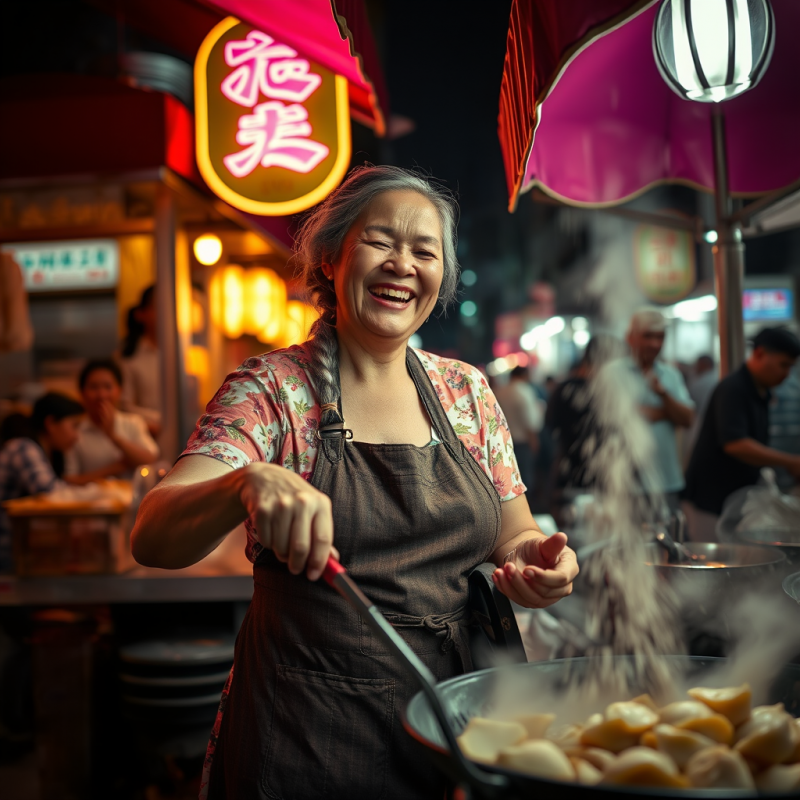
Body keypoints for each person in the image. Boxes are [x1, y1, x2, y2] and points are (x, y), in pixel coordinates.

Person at [130, 166, 579, 800]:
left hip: (450, 720)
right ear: (332, 257)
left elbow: (515, 533)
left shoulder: (466, 392)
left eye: (424, 250)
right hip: (305, 732)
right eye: (380, 241)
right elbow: (153, 536)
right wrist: (244, 484)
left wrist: (534, 562)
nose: (403, 264)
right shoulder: (273, 390)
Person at [683, 327, 800, 540]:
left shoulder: (761, 391)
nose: (786, 374)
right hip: (710, 499)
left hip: (734, 497)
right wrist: (791, 462)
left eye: (791, 367)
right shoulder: (734, 388)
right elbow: (735, 444)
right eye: (783, 365)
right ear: (759, 354)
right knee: (713, 560)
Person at [606, 308, 694, 514]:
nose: (655, 344)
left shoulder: (670, 375)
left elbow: (688, 419)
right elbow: (615, 417)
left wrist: (663, 396)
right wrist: (668, 413)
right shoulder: (612, 373)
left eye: (660, 337)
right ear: (630, 337)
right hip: (626, 484)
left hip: (667, 480)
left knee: (667, 541)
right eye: (648, 336)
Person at [0, 393, 84, 570]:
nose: (77, 436)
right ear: (51, 423)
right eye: (74, 426)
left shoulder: (46, 452)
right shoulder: (23, 447)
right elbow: (52, 496)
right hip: (6, 555)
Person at [546, 335, 622, 514]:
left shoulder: (562, 389)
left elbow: (550, 427)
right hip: (599, 478)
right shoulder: (606, 392)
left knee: (572, 536)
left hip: (568, 474)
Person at [65, 359, 160, 484]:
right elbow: (70, 481)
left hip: (134, 501)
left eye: (107, 387)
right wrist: (114, 468)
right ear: (82, 393)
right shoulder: (75, 432)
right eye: (93, 387)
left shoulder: (133, 422)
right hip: (92, 502)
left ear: (119, 391)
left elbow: (151, 459)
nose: (101, 395)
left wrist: (113, 437)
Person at [493, 365, 543, 499]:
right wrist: (534, 440)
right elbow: (530, 421)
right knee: (525, 478)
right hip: (523, 441)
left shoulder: (499, 391)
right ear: (525, 375)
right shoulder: (524, 391)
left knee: (506, 480)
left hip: (501, 441)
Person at [119, 285, 161, 435]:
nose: (166, 312)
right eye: (158, 306)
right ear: (141, 314)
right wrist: (161, 419)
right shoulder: (129, 357)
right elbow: (125, 405)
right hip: (147, 434)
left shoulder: (184, 354)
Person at [684, 354, 718, 462]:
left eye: (697, 365)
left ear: (703, 365)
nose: (695, 368)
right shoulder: (719, 378)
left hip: (701, 428)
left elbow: (689, 411)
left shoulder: (697, 384)